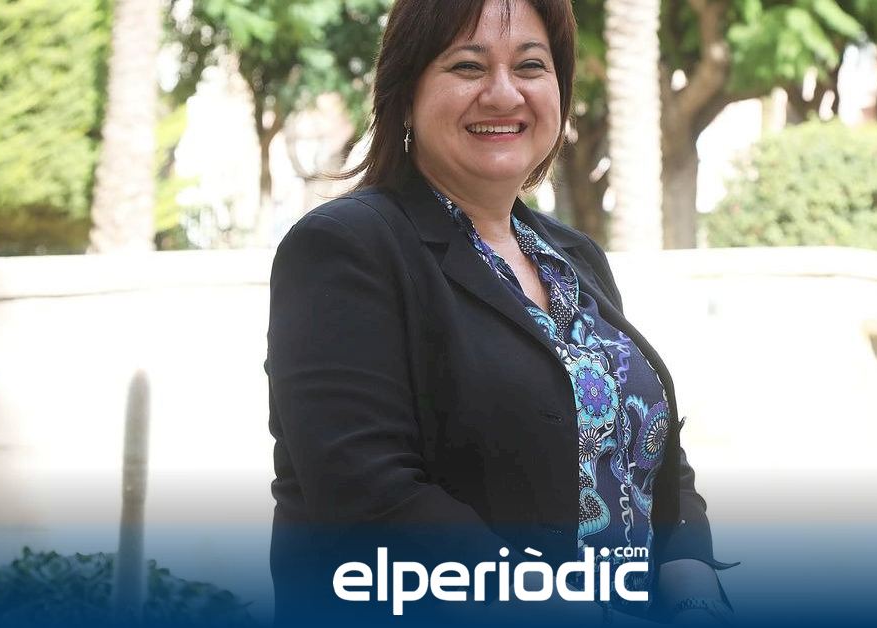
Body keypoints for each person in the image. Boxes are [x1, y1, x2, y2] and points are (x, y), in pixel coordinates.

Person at [266, 1, 736, 625]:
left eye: (531, 66)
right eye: (468, 66)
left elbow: (649, 454)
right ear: (406, 92)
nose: (504, 93)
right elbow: (371, 500)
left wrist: (694, 592)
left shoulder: (573, 257)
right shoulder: (346, 247)